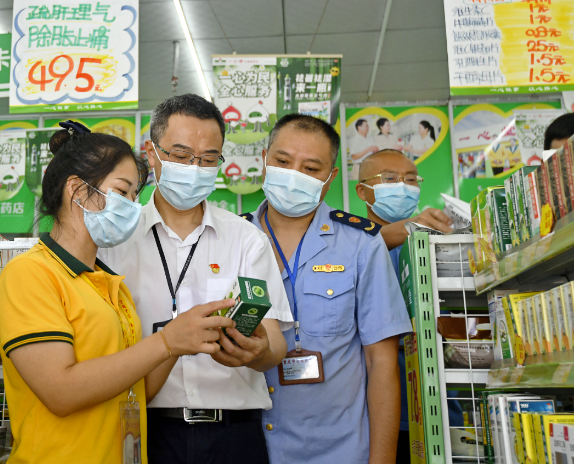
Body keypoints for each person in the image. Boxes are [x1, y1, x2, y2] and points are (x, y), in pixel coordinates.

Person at [0, 121, 237, 464]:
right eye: (122, 192)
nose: (133, 208)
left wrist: (182, 339)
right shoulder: (31, 274)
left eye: (136, 196)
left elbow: (137, 391)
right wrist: (165, 342)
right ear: (76, 189)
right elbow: (60, 392)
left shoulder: (109, 283)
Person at [98, 94, 293, 464]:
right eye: (181, 155)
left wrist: (259, 352)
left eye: (207, 160)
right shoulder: (114, 240)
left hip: (234, 435)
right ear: (151, 153)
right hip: (143, 430)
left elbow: (276, 344)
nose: (194, 168)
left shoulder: (246, 238)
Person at [240, 114, 413, 464]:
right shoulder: (232, 239)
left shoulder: (361, 245)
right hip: (246, 445)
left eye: (311, 168)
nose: (294, 176)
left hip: (338, 448)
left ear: (330, 178)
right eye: (283, 162)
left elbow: (381, 363)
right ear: (265, 160)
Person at [354, 149, 460, 463]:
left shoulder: (434, 242)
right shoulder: (350, 243)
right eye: (389, 179)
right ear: (363, 190)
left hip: (441, 402)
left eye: (411, 180)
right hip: (380, 411)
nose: (403, 185)